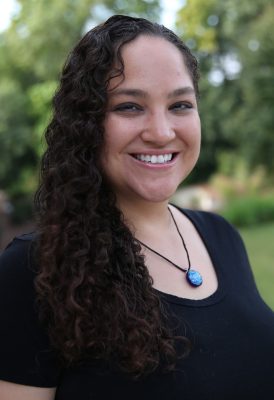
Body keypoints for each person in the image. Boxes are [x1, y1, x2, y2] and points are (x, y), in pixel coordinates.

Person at [0, 14, 273, 400]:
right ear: (85, 121)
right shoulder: (33, 271)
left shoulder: (221, 236)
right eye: (129, 107)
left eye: (180, 104)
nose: (161, 132)